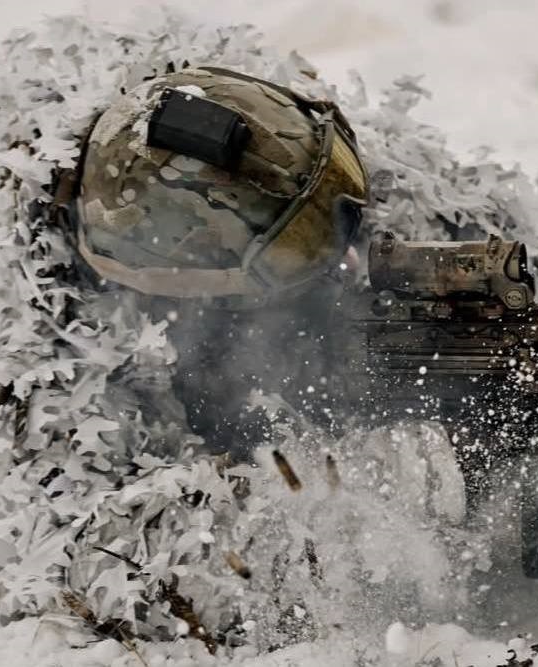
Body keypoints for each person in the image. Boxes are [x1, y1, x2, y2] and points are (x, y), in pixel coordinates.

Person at [50, 66, 369, 458]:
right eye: (303, 247)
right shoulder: (140, 381)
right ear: (199, 285)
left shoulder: (271, 132)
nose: (350, 256)